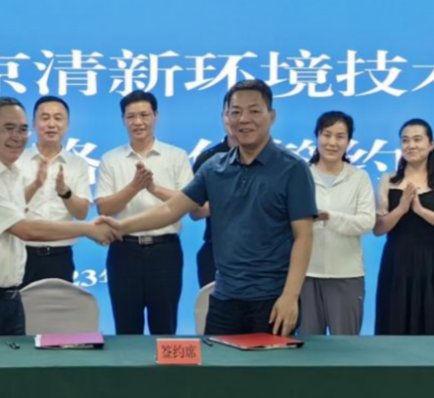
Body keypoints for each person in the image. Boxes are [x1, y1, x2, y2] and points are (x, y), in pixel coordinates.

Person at [108, 80, 315, 336]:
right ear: (226, 117)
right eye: (235, 112)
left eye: (254, 111)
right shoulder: (214, 167)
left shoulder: (292, 168)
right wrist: (119, 226)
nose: (244, 119)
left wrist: (290, 296)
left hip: (272, 300)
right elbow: (171, 210)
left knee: (269, 364)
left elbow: (304, 236)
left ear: (271, 116)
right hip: (224, 297)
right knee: (217, 361)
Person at [0, 98, 117, 336]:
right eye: (9, 128)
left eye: (22, 129)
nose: (17, 137)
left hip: (9, 298)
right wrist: (88, 229)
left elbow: (22, 216)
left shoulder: (11, 172)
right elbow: (25, 229)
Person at [95, 91, 194, 335]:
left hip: (165, 251)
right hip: (123, 250)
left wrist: (153, 188)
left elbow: (189, 203)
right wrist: (134, 187)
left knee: (165, 328)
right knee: (126, 329)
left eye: (144, 115)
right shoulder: (110, 159)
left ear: (156, 116)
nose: (138, 122)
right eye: (131, 117)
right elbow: (104, 208)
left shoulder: (176, 156)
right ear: (123, 120)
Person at [373, 119, 434, 336]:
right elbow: (378, 229)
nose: (410, 145)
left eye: (417, 139)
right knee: (396, 322)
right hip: (397, 260)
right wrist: (401, 209)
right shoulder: (389, 180)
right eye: (405, 140)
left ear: (431, 145)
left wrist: (421, 211)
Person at [300, 111, 374, 337]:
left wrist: (330, 217)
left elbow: (367, 222)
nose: (332, 142)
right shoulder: (300, 175)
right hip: (305, 273)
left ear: (348, 141)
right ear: (317, 137)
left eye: (340, 136)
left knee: (346, 346)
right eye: (327, 134)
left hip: (347, 274)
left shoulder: (359, 178)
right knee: (309, 346)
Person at [20, 96, 92, 285]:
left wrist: (65, 192)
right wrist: (35, 184)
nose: (51, 124)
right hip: (20, 254)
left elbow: (82, 213)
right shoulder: (17, 160)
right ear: (34, 124)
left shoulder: (77, 164)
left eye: (58, 118)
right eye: (45, 118)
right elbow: (8, 207)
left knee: (59, 305)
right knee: (18, 305)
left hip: (60, 257)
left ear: (67, 124)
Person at [190, 116, 236, 289]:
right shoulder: (209, 159)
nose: (236, 120)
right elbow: (195, 212)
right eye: (231, 113)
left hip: (262, 252)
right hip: (216, 250)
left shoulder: (276, 159)